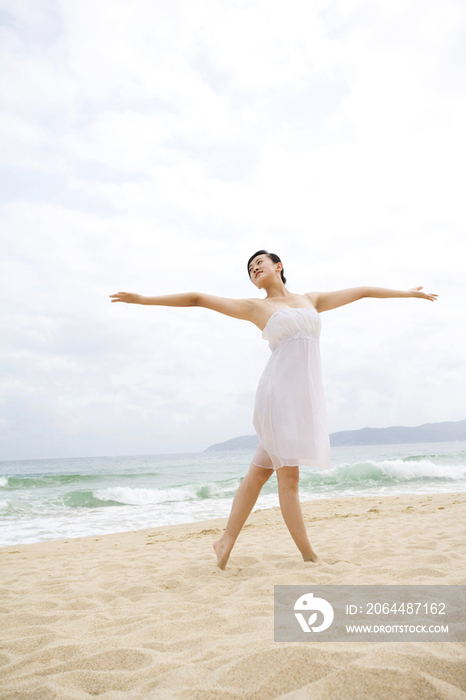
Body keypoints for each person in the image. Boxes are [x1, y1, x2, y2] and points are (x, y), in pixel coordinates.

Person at [110, 250, 438, 569]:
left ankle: (225, 541)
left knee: (258, 475)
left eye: (259, 262)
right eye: (250, 268)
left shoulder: (312, 300)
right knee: (289, 478)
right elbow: (197, 298)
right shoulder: (255, 307)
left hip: (301, 399)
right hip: (277, 395)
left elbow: (363, 291)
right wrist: (143, 299)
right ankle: (309, 556)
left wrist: (407, 294)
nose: (254, 268)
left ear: (278, 266)